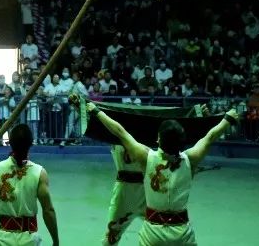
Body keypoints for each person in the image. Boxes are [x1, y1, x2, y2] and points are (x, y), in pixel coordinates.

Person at [87, 101, 240, 245]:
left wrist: (95, 111)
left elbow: (120, 132)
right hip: (182, 233)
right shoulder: (191, 159)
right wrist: (227, 119)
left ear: (158, 140)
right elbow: (210, 137)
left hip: (153, 231)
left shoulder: (146, 157)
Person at [0, 123, 59, 246]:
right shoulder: (39, 173)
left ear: (10, 142)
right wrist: (56, 241)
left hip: (2, 241)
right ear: (31, 144)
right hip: (29, 241)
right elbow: (48, 210)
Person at [102, 144, 146, 245]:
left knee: (162, 229)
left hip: (145, 189)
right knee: (111, 236)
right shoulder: (119, 137)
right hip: (127, 190)